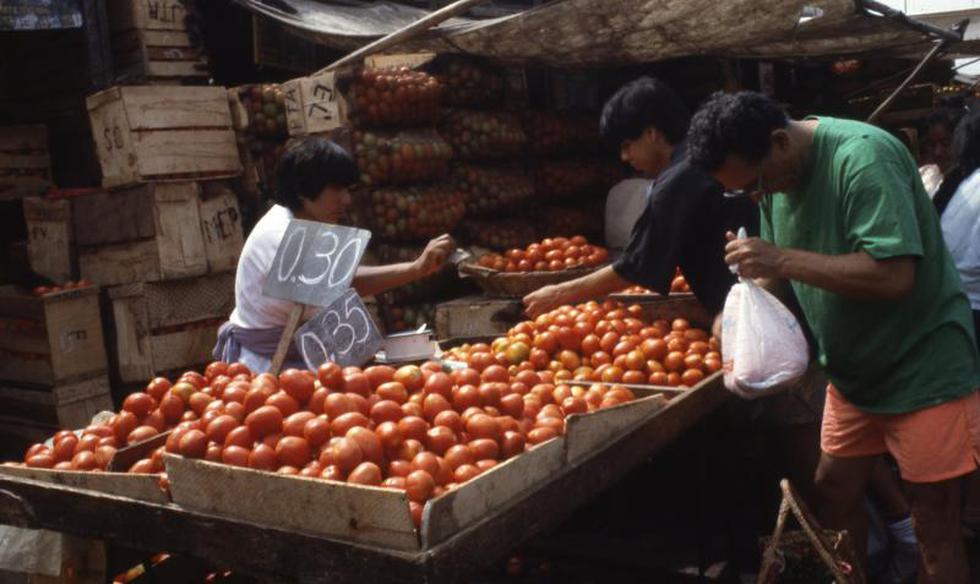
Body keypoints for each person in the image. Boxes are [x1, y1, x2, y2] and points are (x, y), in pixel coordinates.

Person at [687, 90, 980, 582]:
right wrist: (737, 314)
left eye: (757, 183)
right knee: (833, 489)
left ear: (780, 141)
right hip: (853, 371)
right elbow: (777, 273)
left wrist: (778, 260)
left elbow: (893, 276)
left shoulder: (862, 158)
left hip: (923, 367)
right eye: (744, 192)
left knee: (935, 526)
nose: (758, 197)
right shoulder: (774, 181)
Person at [214, 137, 455, 373]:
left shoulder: (301, 226)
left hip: (299, 359)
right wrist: (416, 269)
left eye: (347, 190)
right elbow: (344, 282)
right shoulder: (279, 233)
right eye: (336, 190)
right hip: (270, 369)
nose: (347, 200)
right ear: (304, 191)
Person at [523, 76, 758, 318]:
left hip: (749, 308)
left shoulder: (678, 178)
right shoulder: (701, 160)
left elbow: (635, 266)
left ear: (651, 133)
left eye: (626, 145)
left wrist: (560, 294)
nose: (624, 157)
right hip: (756, 296)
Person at [920, 106, 964, 198]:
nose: (937, 152)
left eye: (946, 144)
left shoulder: (973, 185)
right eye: (932, 145)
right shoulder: (923, 177)